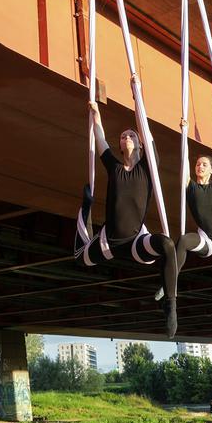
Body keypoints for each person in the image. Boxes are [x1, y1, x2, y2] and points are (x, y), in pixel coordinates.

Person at [79, 102, 180, 337]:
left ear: (139, 144)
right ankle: (84, 210)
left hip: (135, 243)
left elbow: (145, 130)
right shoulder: (113, 167)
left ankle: (171, 305)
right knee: (79, 258)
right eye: (123, 136)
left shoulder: (148, 167)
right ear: (121, 145)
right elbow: (100, 140)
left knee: (167, 244)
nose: (126, 137)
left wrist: (137, 100)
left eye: (131, 134)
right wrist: (96, 115)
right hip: (108, 242)